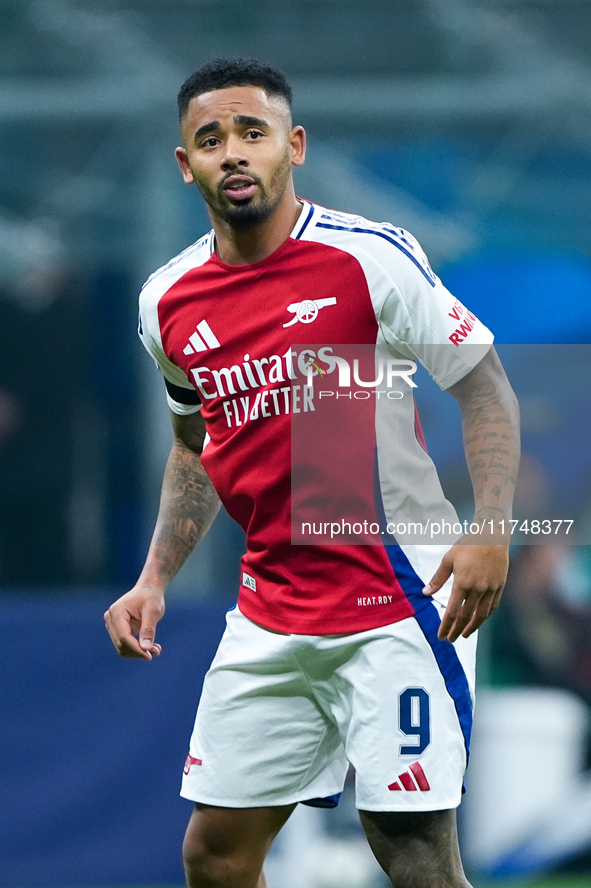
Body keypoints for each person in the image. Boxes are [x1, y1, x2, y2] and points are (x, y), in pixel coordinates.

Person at [104, 57, 520, 888]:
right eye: (210, 139)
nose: (233, 153)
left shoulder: (367, 259)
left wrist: (490, 530)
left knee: (410, 854)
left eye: (251, 133)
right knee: (214, 857)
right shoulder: (168, 301)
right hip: (271, 611)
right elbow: (194, 445)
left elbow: (484, 385)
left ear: (291, 146)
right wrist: (153, 576)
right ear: (185, 165)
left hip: (397, 600)